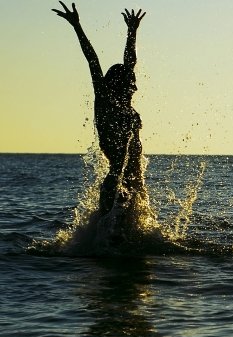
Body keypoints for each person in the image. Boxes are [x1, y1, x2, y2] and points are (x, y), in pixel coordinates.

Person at [53, 2, 147, 218]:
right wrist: (77, 26)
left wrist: (131, 31)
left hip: (134, 181)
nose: (135, 86)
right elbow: (92, 60)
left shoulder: (124, 102)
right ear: (119, 84)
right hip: (114, 183)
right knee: (110, 234)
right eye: (130, 83)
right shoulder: (106, 101)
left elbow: (130, 62)